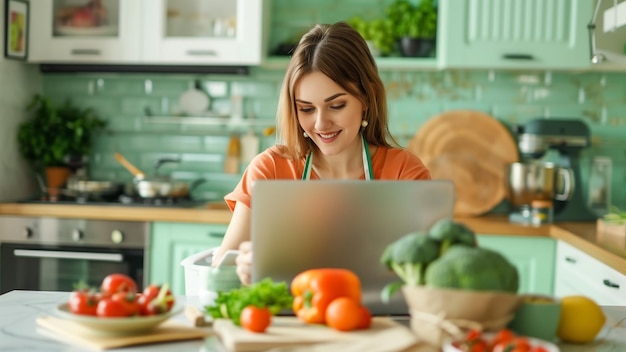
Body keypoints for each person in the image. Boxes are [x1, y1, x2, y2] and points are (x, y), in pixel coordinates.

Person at [212, 21, 431, 285]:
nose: (320, 124)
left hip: (372, 323)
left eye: (336, 105)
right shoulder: (270, 169)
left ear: (366, 98)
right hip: (289, 323)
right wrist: (244, 268)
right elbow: (221, 275)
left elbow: (430, 276)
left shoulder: (403, 172)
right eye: (306, 109)